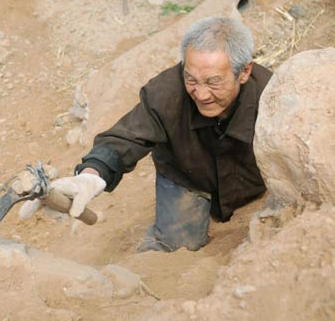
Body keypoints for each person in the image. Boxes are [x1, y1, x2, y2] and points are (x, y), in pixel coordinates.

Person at [21, 16, 272, 252]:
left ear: (245, 72)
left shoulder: (272, 95)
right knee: (176, 245)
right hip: (187, 176)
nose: (201, 94)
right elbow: (126, 137)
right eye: (191, 79)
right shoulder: (164, 94)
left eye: (213, 82)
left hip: (249, 182)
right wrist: (90, 175)